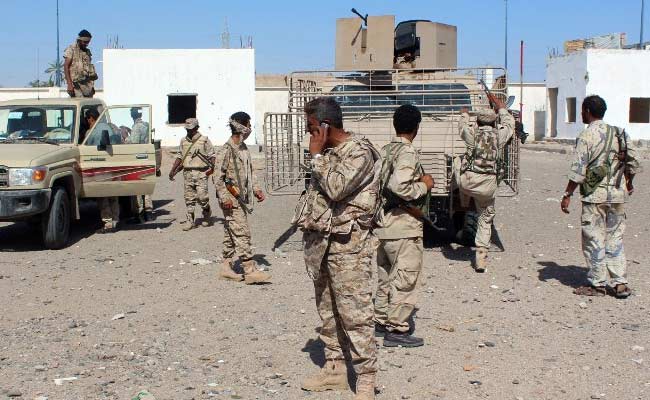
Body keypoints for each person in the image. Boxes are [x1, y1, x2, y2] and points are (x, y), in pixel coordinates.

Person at [296, 97, 380, 399]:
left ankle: (366, 379)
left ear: (325, 125)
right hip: (322, 244)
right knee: (328, 310)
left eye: (311, 128)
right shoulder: (329, 153)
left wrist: (316, 157)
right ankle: (335, 368)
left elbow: (336, 188)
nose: (309, 134)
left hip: (349, 248)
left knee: (355, 314)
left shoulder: (359, 152)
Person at [560, 95, 640, 298]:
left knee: (594, 238)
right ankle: (620, 283)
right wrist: (629, 182)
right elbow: (634, 162)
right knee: (615, 238)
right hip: (618, 195)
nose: (581, 114)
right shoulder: (620, 133)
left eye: (582, 110)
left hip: (594, 196)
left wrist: (568, 194)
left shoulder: (586, 135)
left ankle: (598, 284)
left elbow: (578, 169)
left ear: (587, 111)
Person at [373, 104, 434, 347]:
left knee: (386, 277)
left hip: (383, 226)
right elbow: (399, 186)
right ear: (416, 128)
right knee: (406, 278)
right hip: (403, 226)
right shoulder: (407, 152)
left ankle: (381, 319)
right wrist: (425, 186)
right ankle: (397, 328)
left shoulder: (385, 150)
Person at [456, 94, 515, 272]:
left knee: (456, 160)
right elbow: (510, 124)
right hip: (487, 185)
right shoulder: (500, 135)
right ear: (494, 122)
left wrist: (465, 114)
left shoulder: (471, 134)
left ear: (478, 122)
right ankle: (481, 258)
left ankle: (464, 201)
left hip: (468, 182)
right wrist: (501, 109)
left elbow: (462, 126)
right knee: (485, 218)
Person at [214, 112, 271, 284]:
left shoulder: (243, 148)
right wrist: (224, 197)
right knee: (242, 232)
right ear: (241, 127)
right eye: (249, 125)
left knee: (231, 233)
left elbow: (249, 171)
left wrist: (256, 189)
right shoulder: (226, 150)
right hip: (231, 198)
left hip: (242, 198)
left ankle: (225, 268)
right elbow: (217, 177)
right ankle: (249, 270)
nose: (250, 128)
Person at [168, 118, 215, 231]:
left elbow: (212, 155)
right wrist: (173, 170)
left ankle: (206, 211)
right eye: (187, 129)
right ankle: (190, 220)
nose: (189, 131)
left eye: (191, 129)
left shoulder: (204, 140)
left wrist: (213, 168)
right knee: (189, 198)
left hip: (201, 172)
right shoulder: (183, 141)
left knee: (202, 197)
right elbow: (180, 156)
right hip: (187, 173)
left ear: (197, 128)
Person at [127, 107, 154, 222]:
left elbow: (133, 143)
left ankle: (139, 213)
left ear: (132, 115)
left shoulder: (136, 127)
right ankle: (149, 212)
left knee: (137, 188)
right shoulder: (146, 125)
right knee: (146, 187)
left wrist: (126, 137)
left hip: (137, 159)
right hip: (146, 158)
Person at [63, 29, 98, 98]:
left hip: (87, 85)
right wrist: (69, 84)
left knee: (88, 103)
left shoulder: (87, 52)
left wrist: (92, 86)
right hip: (76, 85)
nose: (86, 44)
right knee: (79, 102)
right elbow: (66, 66)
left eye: (88, 42)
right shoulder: (71, 49)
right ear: (79, 40)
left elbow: (89, 70)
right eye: (84, 42)